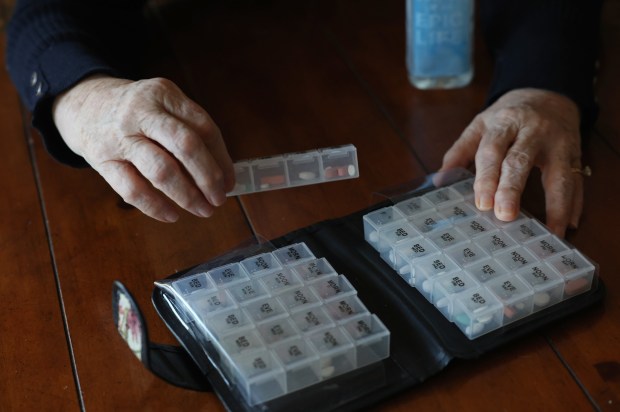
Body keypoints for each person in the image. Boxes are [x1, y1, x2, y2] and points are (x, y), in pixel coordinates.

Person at [6, 0, 603, 237]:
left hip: (423, 84)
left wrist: (541, 84)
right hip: (219, 76)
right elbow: (45, 18)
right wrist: (88, 100)